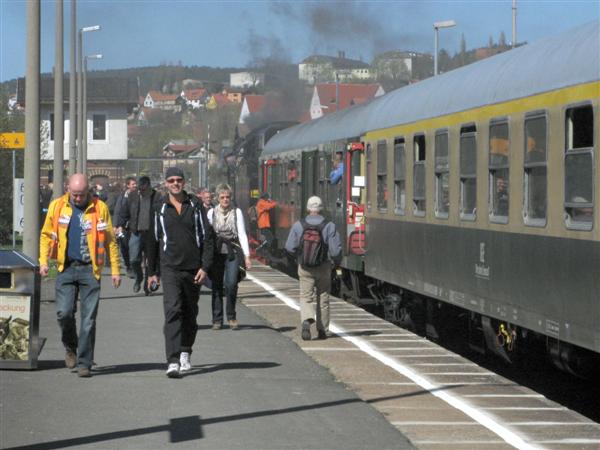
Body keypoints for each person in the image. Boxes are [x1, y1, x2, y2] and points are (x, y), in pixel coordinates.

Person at [39, 173, 121, 377]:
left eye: (81, 194)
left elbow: (110, 240)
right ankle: (70, 348)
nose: (78, 198)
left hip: (90, 270)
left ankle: (84, 363)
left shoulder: (99, 208)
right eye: (74, 194)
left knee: (88, 319)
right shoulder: (57, 206)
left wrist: (116, 270)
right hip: (65, 268)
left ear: (89, 191)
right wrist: (42, 261)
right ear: (68, 188)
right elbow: (46, 234)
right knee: (64, 313)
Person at [147, 167, 215, 378]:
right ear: (165, 184)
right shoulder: (159, 208)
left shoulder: (194, 206)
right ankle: (173, 360)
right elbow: (152, 241)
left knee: (189, 313)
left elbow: (207, 239)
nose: (175, 183)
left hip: (193, 268)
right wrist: (152, 272)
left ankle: (185, 350)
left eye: (178, 180)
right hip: (170, 268)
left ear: (184, 182)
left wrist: (205, 267)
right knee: (173, 310)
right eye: (171, 180)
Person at [285, 196, 342, 341]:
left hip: (305, 266)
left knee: (306, 296)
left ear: (308, 208)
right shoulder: (329, 225)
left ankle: (306, 320)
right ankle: (323, 330)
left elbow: (289, 247)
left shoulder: (299, 225)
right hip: (324, 266)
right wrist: (336, 263)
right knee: (323, 297)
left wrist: (298, 257)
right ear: (321, 208)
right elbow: (336, 251)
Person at [207, 183, 251, 330]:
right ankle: (217, 318)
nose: (225, 200)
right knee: (217, 285)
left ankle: (231, 316)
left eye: (228, 197)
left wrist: (247, 256)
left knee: (231, 284)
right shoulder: (211, 213)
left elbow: (242, 234)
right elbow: (207, 236)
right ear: (217, 198)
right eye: (222, 197)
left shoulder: (237, 212)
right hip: (216, 253)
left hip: (232, 252)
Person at [117, 176, 162, 295]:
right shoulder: (133, 196)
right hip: (136, 232)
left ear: (149, 187)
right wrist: (120, 225)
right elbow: (124, 211)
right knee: (134, 259)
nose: (141, 192)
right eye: (140, 189)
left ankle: (148, 284)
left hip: (151, 234)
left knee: (150, 261)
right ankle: (139, 277)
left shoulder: (157, 197)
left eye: (144, 189)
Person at [112, 177, 136, 279]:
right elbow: (117, 211)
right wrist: (115, 226)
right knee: (124, 246)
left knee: (134, 246)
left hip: (135, 226)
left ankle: (134, 265)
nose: (135, 185)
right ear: (128, 185)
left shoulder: (139, 196)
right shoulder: (122, 197)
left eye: (136, 184)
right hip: (123, 227)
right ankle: (128, 266)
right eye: (133, 184)